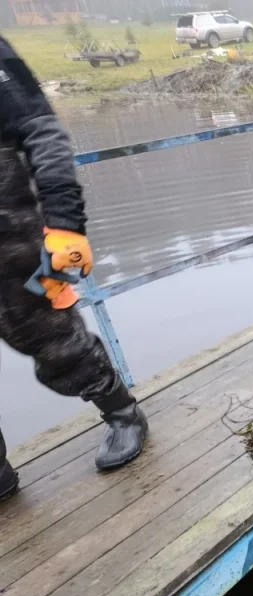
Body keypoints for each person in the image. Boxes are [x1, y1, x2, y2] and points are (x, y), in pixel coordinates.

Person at [0, 36, 148, 499]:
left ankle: (123, 413)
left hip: (10, 236)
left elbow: (42, 132)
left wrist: (64, 223)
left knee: (55, 340)